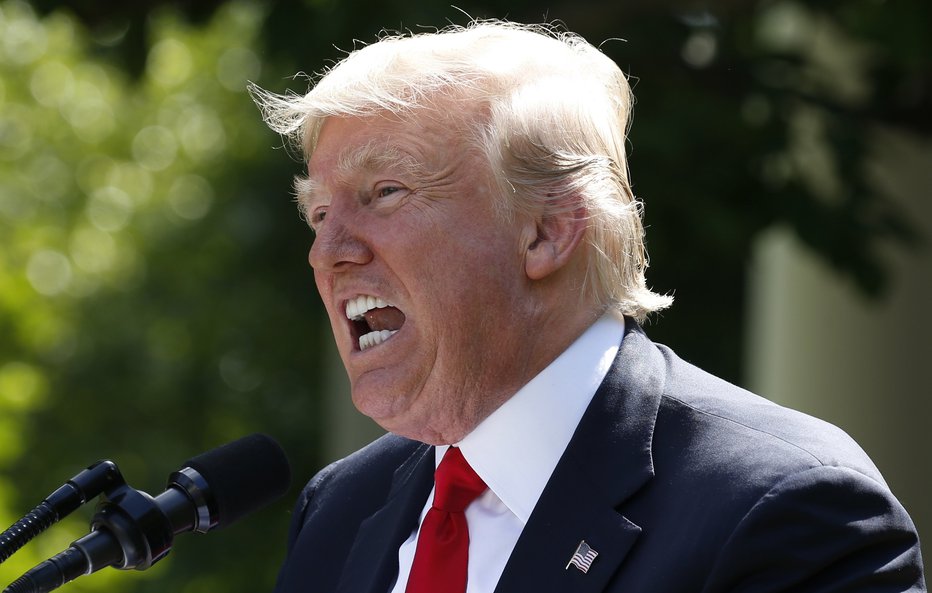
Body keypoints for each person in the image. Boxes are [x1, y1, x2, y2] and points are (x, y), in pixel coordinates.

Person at [251, 20, 925, 593]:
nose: (326, 250)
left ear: (547, 230)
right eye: (317, 212)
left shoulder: (787, 509)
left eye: (385, 191)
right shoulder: (339, 510)